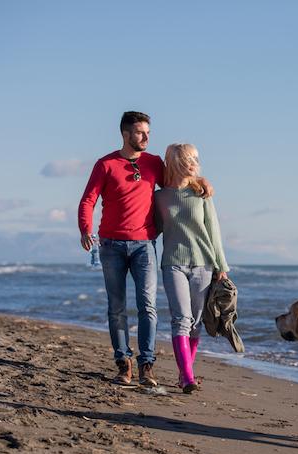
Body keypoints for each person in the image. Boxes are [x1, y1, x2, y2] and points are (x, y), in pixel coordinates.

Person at [78, 112, 211, 386]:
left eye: (148, 132)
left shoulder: (153, 163)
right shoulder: (105, 164)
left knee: (147, 306)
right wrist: (84, 229)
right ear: (126, 134)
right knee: (116, 307)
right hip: (111, 245)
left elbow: (177, 182)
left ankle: (146, 365)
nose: (146, 137)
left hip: (144, 245)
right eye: (140, 133)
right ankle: (123, 362)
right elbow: (88, 200)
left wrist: (203, 182)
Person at [155, 143, 229, 394]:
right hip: (173, 263)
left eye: (196, 159)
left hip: (203, 264)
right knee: (181, 320)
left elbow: (214, 231)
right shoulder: (159, 196)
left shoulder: (201, 194)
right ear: (176, 162)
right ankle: (187, 377)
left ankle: (183, 372)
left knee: (196, 323)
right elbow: (152, 229)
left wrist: (221, 265)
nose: (195, 163)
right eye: (190, 159)